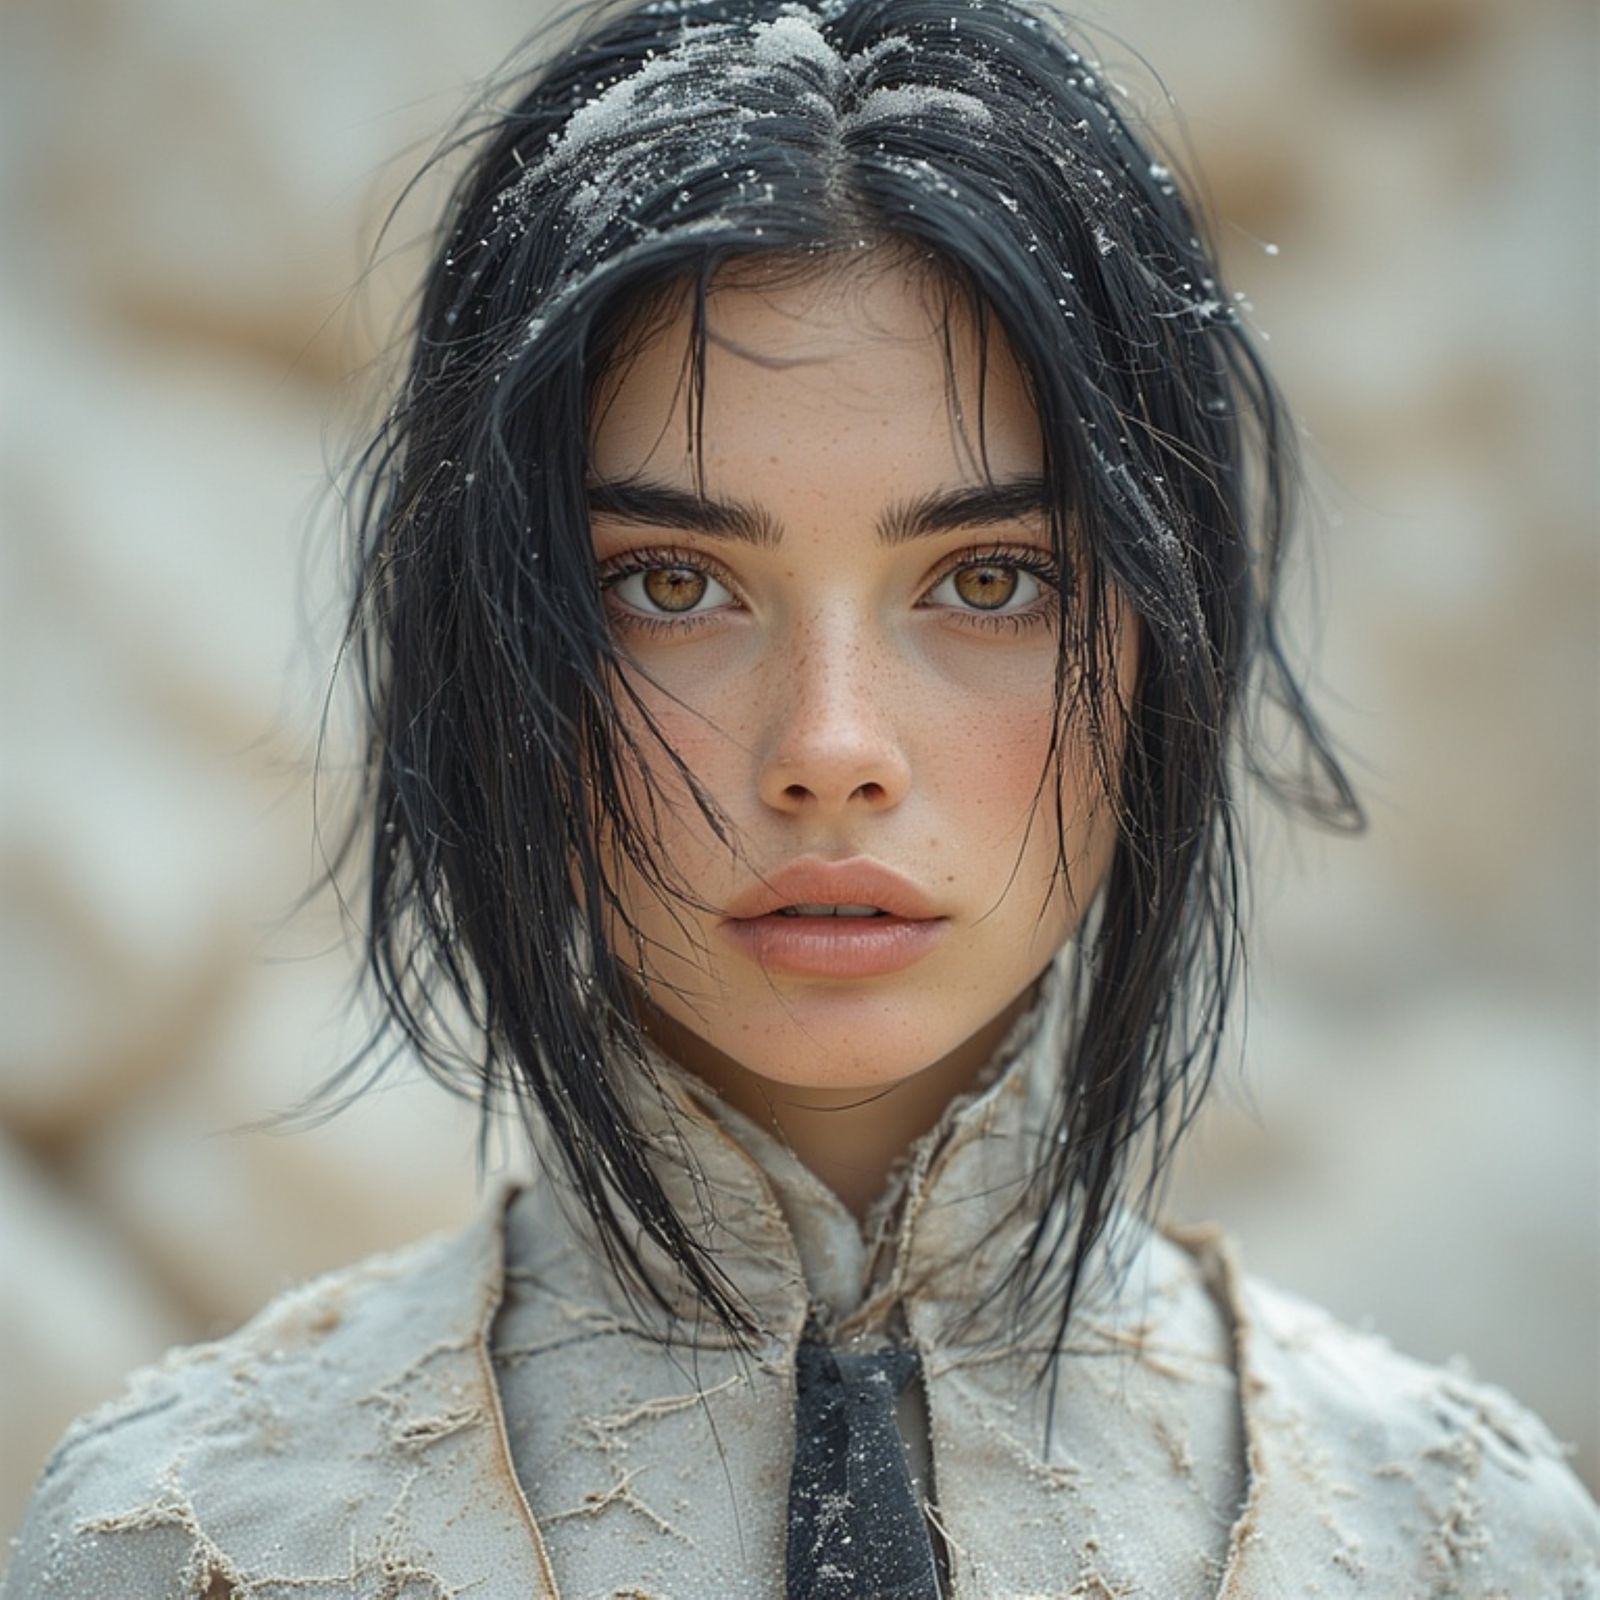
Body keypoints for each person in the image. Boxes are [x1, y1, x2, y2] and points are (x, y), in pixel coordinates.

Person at [6, 0, 1598, 1594]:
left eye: (988, 578)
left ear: (1162, 644)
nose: (831, 745)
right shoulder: (189, 1537)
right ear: (496, 650)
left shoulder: (1459, 1543)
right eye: (673, 584)